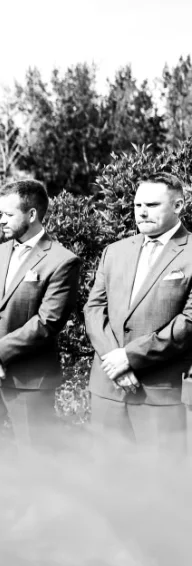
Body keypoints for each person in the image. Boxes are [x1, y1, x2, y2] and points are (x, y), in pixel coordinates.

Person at [0, 179, 81, 453]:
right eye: (0, 213)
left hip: (30, 381)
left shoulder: (62, 261)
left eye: (8, 214)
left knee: (35, 462)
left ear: (31, 215)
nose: (1, 220)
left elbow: (47, 322)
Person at [83, 172, 192, 455]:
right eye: (137, 205)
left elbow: (189, 321)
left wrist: (130, 357)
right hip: (107, 391)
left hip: (159, 395)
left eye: (152, 205)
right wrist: (113, 360)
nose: (142, 212)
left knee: (158, 486)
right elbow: (93, 309)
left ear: (179, 205)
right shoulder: (114, 252)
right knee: (107, 482)